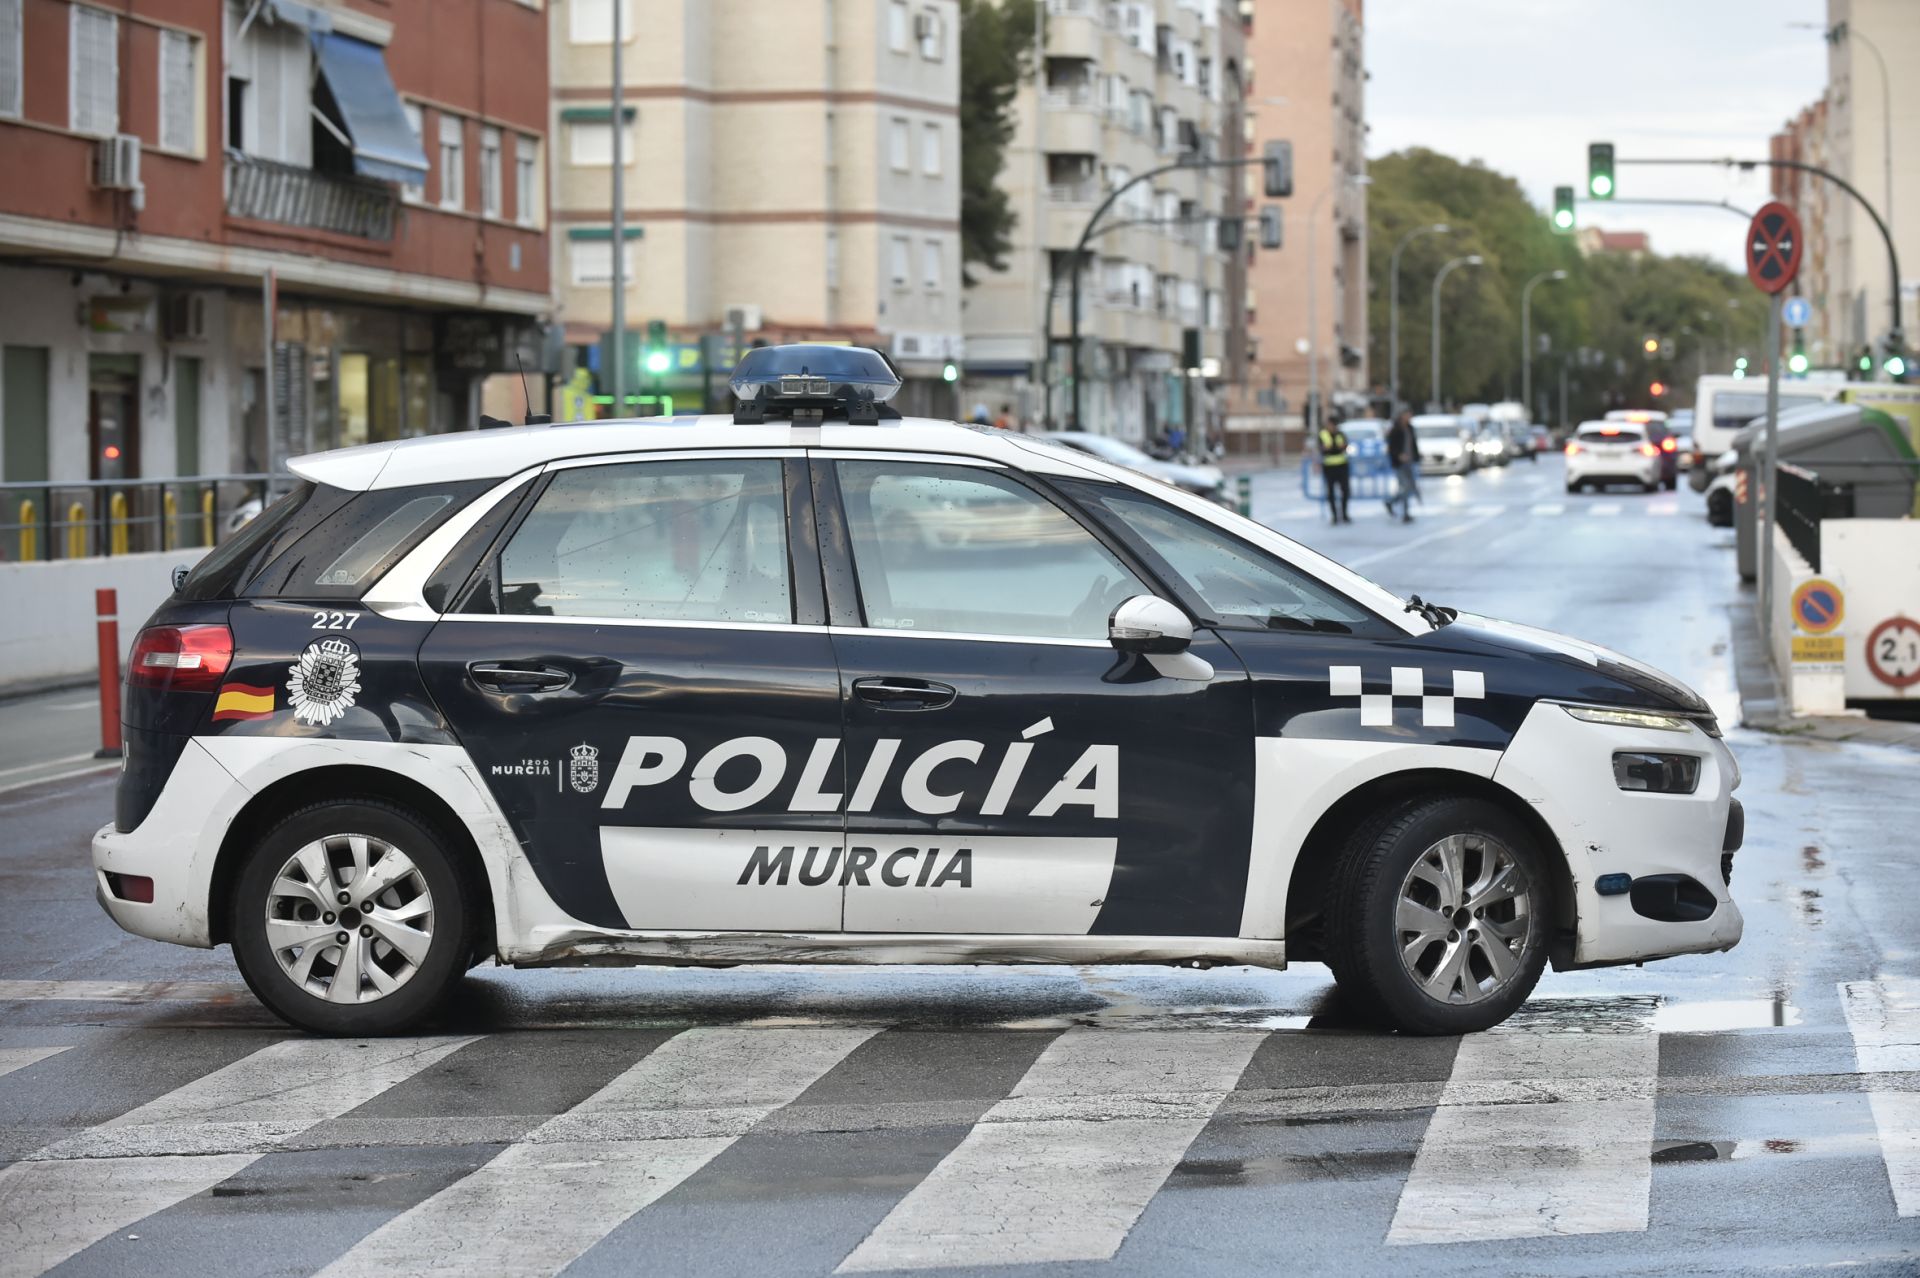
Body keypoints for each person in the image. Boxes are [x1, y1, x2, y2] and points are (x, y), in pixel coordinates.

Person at [1385, 410, 1420, 523]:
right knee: (1404, 487)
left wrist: (1416, 457)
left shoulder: (1410, 428)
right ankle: (1405, 513)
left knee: (1409, 487)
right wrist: (1399, 455)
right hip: (1399, 463)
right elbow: (1391, 447)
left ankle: (1391, 502)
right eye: (1407, 415)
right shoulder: (1395, 430)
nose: (1409, 417)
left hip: (1409, 462)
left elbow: (1413, 444)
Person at [1318, 420, 1351, 524]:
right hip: (1329, 467)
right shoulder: (1323, 434)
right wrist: (1334, 448)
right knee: (1331, 492)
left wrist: (1334, 448)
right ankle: (1335, 516)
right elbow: (1323, 449)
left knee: (1345, 491)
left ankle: (1344, 515)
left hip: (1342, 466)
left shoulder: (1341, 434)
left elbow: (1345, 447)